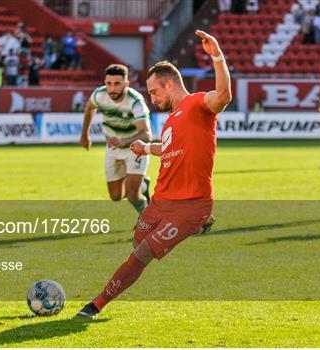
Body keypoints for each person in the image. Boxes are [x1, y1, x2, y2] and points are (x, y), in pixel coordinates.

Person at [76, 30, 231, 319]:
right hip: (161, 200)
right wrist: (147, 147)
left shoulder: (198, 105)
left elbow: (223, 96)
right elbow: (172, 149)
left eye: (154, 91)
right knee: (138, 241)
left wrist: (217, 57)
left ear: (169, 84)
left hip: (190, 203)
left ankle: (95, 305)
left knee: (141, 254)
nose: (152, 97)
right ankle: (198, 224)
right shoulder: (172, 118)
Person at [79, 64, 152, 214]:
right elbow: (89, 108)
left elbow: (146, 135)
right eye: (108, 83)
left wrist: (124, 141)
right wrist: (84, 134)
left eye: (117, 84)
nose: (112, 88)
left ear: (126, 84)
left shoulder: (135, 101)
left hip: (135, 149)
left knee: (132, 196)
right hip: (113, 149)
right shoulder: (100, 94)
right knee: (115, 196)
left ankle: (147, 218)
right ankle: (143, 185)